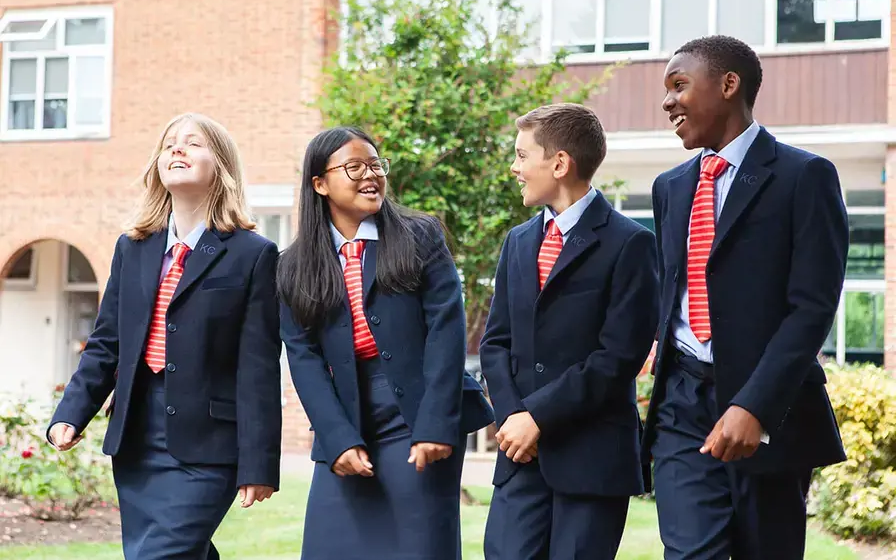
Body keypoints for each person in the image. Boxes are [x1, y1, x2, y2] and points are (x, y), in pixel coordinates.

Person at [642, 35, 849, 559]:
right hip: (681, 405)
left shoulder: (805, 176)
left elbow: (812, 307)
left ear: (728, 84)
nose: (667, 101)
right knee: (689, 553)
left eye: (679, 85)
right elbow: (675, 288)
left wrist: (754, 407)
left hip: (769, 407)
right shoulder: (670, 188)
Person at [48, 112, 283, 560]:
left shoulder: (253, 255)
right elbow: (106, 342)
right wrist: (71, 413)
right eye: (170, 143)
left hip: (208, 446)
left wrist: (260, 461)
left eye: (193, 143)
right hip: (136, 438)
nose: (177, 149)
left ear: (222, 166)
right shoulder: (132, 248)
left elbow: (257, 367)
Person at [277, 126, 494, 560]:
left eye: (376, 164)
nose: (369, 175)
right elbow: (303, 356)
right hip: (347, 416)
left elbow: (446, 330)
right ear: (319, 184)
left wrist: (434, 423)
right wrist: (337, 438)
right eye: (353, 167)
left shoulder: (421, 236)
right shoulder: (292, 265)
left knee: (420, 549)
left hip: (418, 415)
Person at [480, 103, 659, 559]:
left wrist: (536, 417)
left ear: (559, 163)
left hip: (592, 459)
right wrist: (513, 419)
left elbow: (617, 358)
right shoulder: (518, 242)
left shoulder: (630, 244)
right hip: (520, 458)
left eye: (522, 156)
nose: (514, 167)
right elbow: (496, 342)